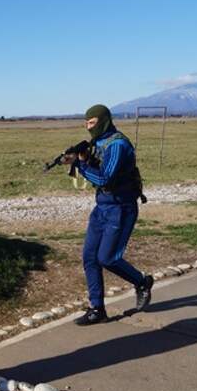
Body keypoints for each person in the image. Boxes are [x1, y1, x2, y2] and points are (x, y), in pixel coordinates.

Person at [64, 104, 153, 326]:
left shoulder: (118, 144)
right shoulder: (99, 142)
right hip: (102, 207)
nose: (88, 127)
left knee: (108, 258)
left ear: (103, 121)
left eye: (92, 123)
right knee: (90, 258)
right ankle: (97, 309)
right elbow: (98, 169)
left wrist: (79, 165)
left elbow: (105, 179)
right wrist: (84, 160)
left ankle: (141, 282)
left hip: (121, 208)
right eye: (86, 123)